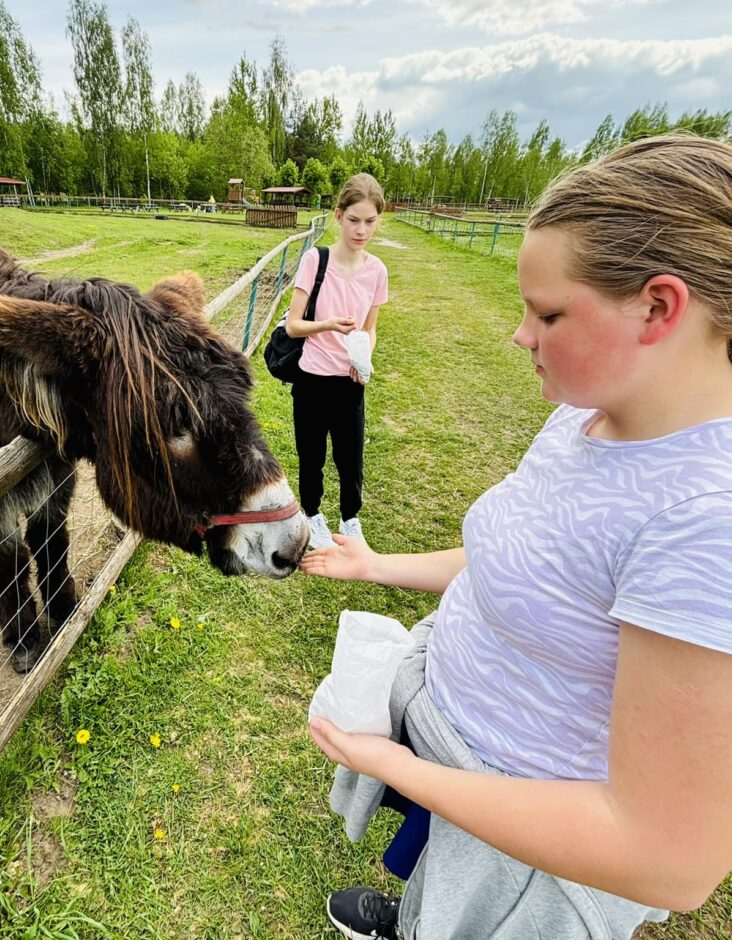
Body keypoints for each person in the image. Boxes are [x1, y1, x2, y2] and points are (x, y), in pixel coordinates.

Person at [300, 135, 732, 939]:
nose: (520, 336)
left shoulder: (706, 522)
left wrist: (395, 765)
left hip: (532, 848)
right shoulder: (587, 416)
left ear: (659, 307)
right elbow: (537, 564)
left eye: (548, 313)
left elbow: (668, 854)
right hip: (468, 765)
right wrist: (375, 566)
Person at [286, 173, 389, 549]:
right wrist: (328, 325)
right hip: (313, 378)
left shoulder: (377, 271)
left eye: (370, 221)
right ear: (338, 216)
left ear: (379, 219)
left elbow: (370, 328)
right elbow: (294, 326)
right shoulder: (316, 260)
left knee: (351, 457)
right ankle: (312, 515)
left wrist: (364, 358)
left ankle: (350, 519)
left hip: (350, 381)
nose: (361, 230)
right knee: (310, 455)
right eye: (354, 220)